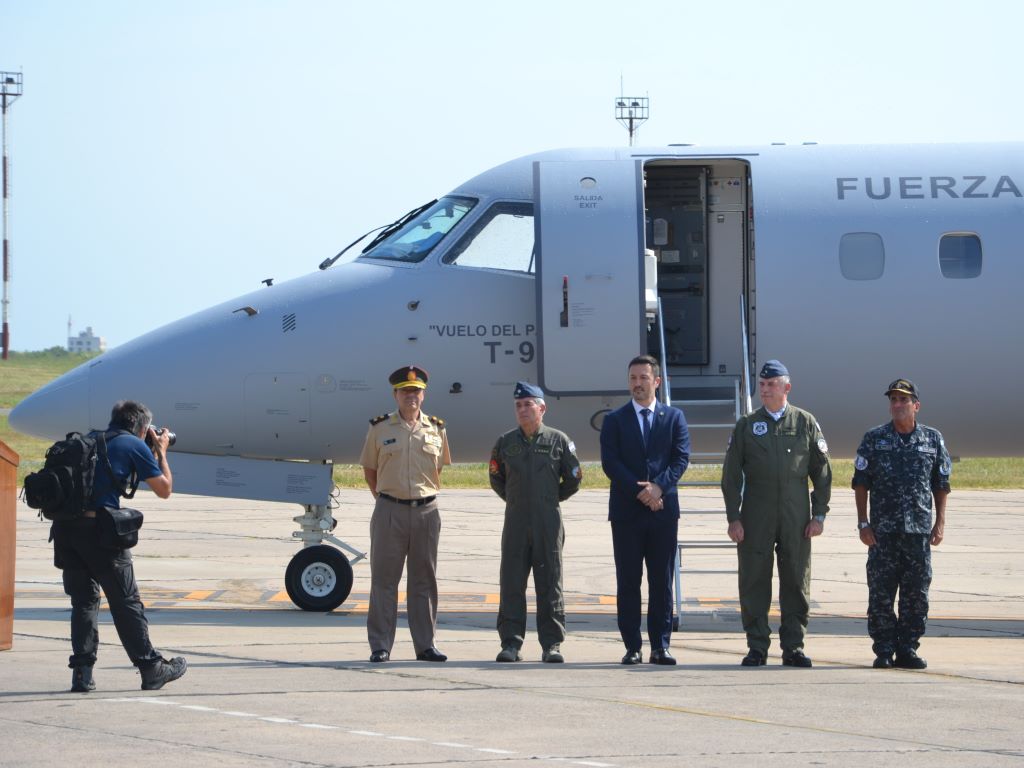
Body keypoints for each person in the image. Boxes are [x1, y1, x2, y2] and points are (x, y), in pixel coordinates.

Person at [50, 400, 187, 692]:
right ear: (141, 426)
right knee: (126, 603)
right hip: (100, 534)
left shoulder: (88, 440)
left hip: (65, 531)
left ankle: (82, 675)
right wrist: (160, 451)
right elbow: (164, 489)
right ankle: (152, 669)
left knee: (84, 602)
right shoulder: (133, 445)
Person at [721, 360, 831, 668]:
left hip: (796, 516)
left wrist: (819, 515)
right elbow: (731, 476)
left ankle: (793, 646)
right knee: (754, 579)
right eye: (762, 384)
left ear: (787, 388)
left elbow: (821, 472)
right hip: (756, 514)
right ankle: (757, 646)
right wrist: (734, 517)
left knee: (796, 579)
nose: (765, 389)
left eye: (771, 384)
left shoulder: (805, 422)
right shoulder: (746, 425)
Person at [852, 378, 951, 670]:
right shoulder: (875, 438)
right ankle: (883, 649)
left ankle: (907, 648)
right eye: (893, 400)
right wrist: (863, 523)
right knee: (881, 593)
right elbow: (860, 483)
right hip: (882, 532)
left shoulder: (932, 439)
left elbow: (941, 484)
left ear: (916, 406)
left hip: (918, 532)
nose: (897, 405)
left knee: (916, 595)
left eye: (903, 400)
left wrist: (940, 522)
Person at [600, 354, 690, 665]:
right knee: (628, 580)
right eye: (633, 379)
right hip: (627, 513)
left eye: (643, 378)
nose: (637, 384)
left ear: (657, 381)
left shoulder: (674, 417)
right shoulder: (614, 420)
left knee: (661, 581)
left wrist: (658, 488)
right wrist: (642, 491)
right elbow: (610, 463)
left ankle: (660, 645)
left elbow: (680, 458)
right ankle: (632, 646)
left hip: (663, 511)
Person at [360, 365, 451, 663]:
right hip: (390, 510)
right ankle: (381, 645)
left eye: (416, 391)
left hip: (426, 511)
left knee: (424, 579)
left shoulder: (436, 428)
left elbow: (437, 470)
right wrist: (388, 499)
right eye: (405, 391)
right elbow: (370, 471)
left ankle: (426, 645)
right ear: (395, 395)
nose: (410, 396)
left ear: (423, 395)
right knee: (384, 580)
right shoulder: (379, 428)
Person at [488, 382, 582, 663]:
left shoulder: (558, 440)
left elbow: (574, 478)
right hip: (516, 522)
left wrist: (549, 499)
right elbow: (496, 479)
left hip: (547, 523)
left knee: (550, 581)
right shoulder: (505, 443)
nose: (523, 410)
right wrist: (517, 501)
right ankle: (511, 644)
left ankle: (551, 644)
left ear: (542, 408)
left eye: (528, 404)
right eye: (518, 405)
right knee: (512, 583)